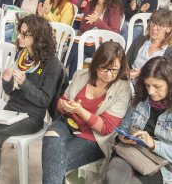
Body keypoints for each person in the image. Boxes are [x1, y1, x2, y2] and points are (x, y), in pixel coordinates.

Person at [0, 14, 63, 184]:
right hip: (13, 109)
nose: (19, 37)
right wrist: (7, 80)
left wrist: (24, 83)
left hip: (32, 116)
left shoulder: (52, 63)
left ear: (38, 37)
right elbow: (10, 92)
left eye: (25, 34)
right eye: (20, 33)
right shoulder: (22, 55)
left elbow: (45, 100)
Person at [42, 41, 131, 184]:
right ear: (96, 64)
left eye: (114, 70)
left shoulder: (122, 88)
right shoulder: (81, 75)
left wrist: (80, 110)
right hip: (68, 122)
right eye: (104, 69)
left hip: (94, 138)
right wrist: (63, 105)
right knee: (50, 138)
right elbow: (63, 101)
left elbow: (105, 128)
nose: (109, 74)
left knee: (54, 159)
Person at [105, 56, 172, 184]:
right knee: (113, 177)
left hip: (166, 166)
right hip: (134, 152)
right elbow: (123, 129)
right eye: (147, 85)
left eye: (157, 86)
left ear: (171, 83)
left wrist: (154, 145)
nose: (150, 91)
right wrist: (121, 138)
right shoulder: (140, 98)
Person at [66, 0, 123, 79]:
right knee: (77, 53)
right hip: (87, 43)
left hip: (105, 47)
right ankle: (71, 82)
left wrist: (98, 22)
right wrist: (91, 23)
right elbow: (83, 27)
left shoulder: (114, 8)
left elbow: (115, 35)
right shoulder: (90, 5)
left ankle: (61, 70)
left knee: (75, 46)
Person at [126, 9, 172, 81]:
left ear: (169, 29)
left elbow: (170, 78)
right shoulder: (140, 40)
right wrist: (127, 73)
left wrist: (143, 74)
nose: (154, 28)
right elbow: (126, 61)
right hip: (130, 83)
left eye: (160, 25)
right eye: (152, 23)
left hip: (153, 89)